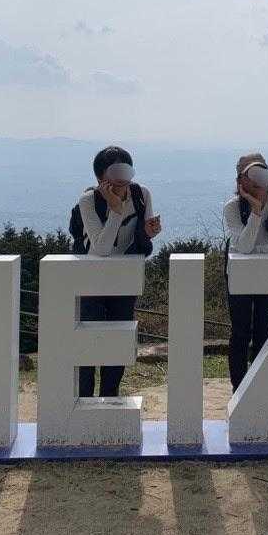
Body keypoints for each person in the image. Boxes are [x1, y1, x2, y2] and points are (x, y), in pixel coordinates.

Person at [71, 145, 161, 398]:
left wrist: (149, 231)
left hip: (124, 278)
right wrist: (116, 209)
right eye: (114, 172)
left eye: (125, 170)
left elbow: (141, 236)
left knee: (118, 340)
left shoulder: (141, 194)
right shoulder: (88, 200)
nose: (122, 178)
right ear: (101, 177)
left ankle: (110, 397)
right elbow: (101, 249)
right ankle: (84, 399)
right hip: (91, 279)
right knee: (88, 340)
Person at [222, 153, 268, 392]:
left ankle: (260, 389)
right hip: (239, 273)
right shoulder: (233, 207)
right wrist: (255, 212)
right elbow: (243, 246)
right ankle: (239, 389)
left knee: (266, 330)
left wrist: (256, 252)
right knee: (240, 331)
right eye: (246, 174)